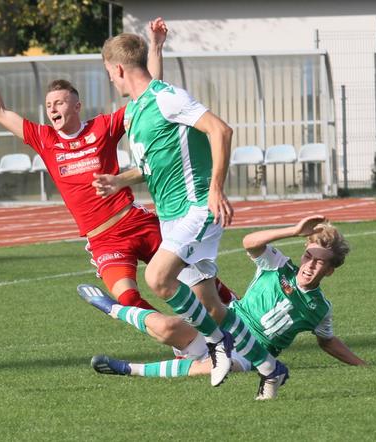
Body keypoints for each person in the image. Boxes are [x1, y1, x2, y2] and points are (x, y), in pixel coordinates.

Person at [0, 20, 237, 386]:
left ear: (76, 105)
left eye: (60, 102)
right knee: (128, 298)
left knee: (195, 275)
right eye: (48, 104)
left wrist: (155, 48)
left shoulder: (103, 127)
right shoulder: (44, 139)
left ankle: (239, 316)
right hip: (103, 239)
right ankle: (185, 341)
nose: (52, 108)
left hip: (136, 221)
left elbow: (150, 100)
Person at [91, 31, 288, 397]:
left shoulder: (168, 98)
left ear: (117, 68)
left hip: (197, 208)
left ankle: (217, 346)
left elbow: (220, 130)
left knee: (158, 278)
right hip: (171, 217)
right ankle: (270, 368)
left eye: (109, 73)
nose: (110, 80)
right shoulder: (135, 110)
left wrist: (215, 188)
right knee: (210, 305)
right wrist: (121, 180)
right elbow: (150, 165)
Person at [83, 215, 366, 400]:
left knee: (219, 367)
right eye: (308, 256)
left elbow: (328, 342)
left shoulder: (320, 309)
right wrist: (292, 231)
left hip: (251, 354)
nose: (310, 265)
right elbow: (250, 243)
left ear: (330, 270)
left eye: (320, 262)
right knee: (166, 327)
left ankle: (126, 369)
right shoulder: (279, 266)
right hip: (225, 325)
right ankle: (110, 307)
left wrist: (362, 366)